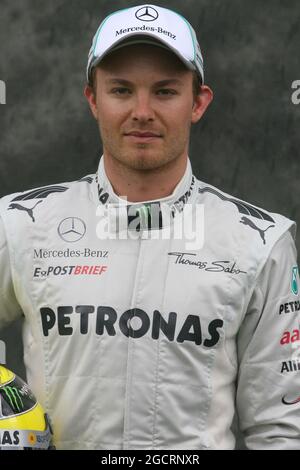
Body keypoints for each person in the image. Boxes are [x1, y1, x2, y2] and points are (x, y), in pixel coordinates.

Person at [0, 3, 299, 450]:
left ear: (198, 102)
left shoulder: (259, 242)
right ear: (93, 99)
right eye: (121, 90)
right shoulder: (20, 223)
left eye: (164, 92)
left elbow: (281, 429)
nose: (142, 111)